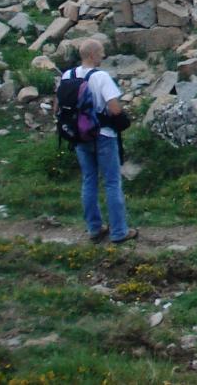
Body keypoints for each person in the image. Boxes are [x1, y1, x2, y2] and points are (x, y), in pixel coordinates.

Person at [62, 39, 136, 243]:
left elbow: (58, 108)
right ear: (92, 55)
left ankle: (94, 229)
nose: (103, 56)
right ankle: (119, 231)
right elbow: (114, 108)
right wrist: (123, 121)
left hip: (79, 136)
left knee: (89, 180)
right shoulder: (101, 76)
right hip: (103, 135)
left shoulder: (68, 75)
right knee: (112, 182)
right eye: (102, 52)